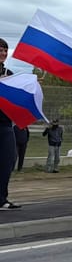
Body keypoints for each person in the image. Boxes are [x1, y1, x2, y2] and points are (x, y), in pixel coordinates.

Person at [0, 38, 21, 209]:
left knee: (8, 160)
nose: (3, 53)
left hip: (5, 124)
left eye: (5, 50)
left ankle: (2, 198)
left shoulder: (9, 73)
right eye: (0, 50)